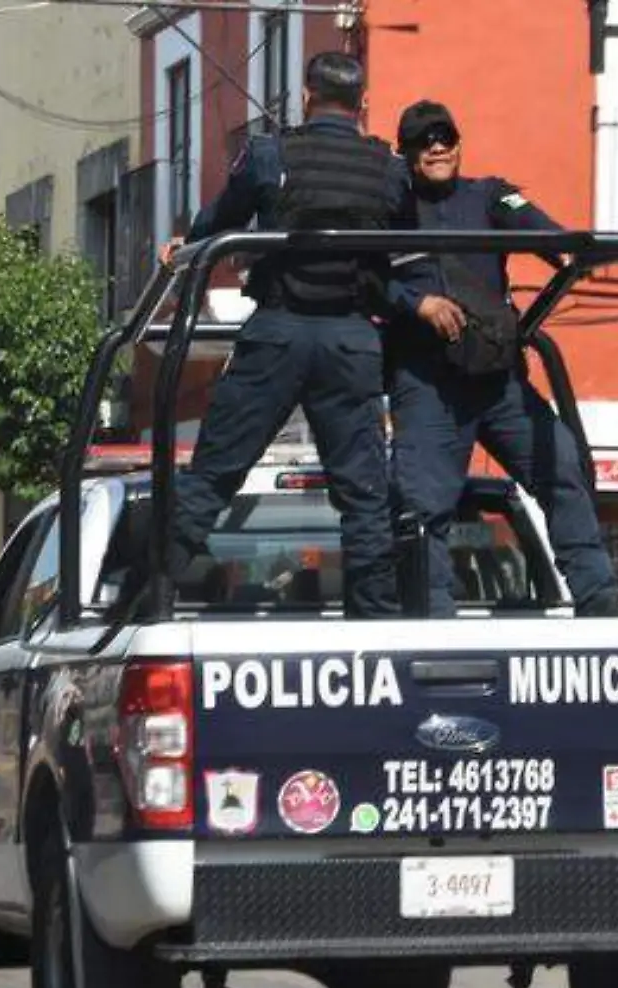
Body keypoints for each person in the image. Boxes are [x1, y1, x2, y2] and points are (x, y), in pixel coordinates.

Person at [158, 51, 412, 619]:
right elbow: (406, 240)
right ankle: (373, 622)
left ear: (305, 98)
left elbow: (220, 218)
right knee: (364, 496)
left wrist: (185, 249)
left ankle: (149, 599)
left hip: (276, 333)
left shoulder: (272, 153)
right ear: (362, 106)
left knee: (212, 477)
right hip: (351, 340)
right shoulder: (389, 170)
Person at [383, 100, 618, 618]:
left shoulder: (490, 195)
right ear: (406, 153)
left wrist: (566, 251)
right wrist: (418, 304)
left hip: (497, 381)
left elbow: (540, 229)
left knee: (562, 470)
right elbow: (365, 281)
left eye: (446, 137)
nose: (437, 147)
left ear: (458, 144)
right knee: (422, 507)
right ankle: (432, 618)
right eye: (424, 141)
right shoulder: (388, 212)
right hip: (428, 384)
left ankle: (597, 596)